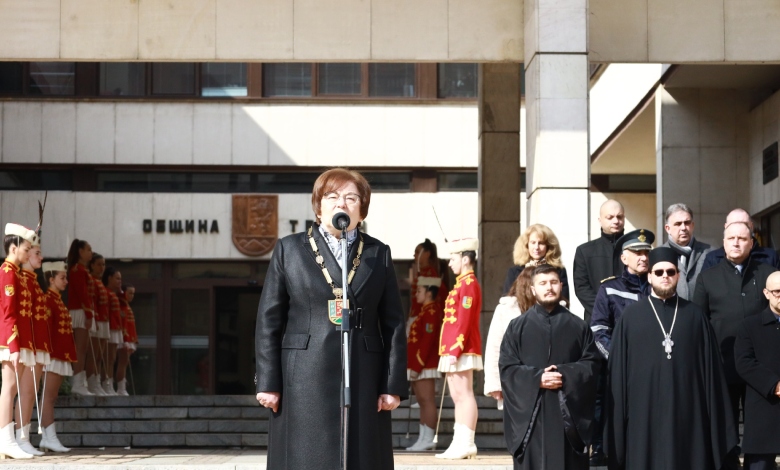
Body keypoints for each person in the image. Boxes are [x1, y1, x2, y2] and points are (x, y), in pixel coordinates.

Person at [254, 168, 406, 470]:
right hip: (303, 373)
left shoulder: (378, 253)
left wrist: (393, 384)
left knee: (362, 456)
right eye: (333, 196)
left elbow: (393, 323)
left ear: (362, 210)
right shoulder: (290, 249)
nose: (342, 204)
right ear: (318, 206)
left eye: (351, 198)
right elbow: (269, 320)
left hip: (363, 371)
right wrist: (268, 381)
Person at [606, 247, 737, 470]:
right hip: (643, 414)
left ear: (678, 275)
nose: (665, 276)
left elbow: (712, 374)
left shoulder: (696, 316)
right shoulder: (630, 317)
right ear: (649, 276)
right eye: (658, 272)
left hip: (689, 413)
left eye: (670, 271)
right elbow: (617, 373)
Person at [499, 264, 601, 470]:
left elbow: (592, 365)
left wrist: (564, 375)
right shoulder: (517, 327)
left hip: (568, 422)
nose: (549, 288)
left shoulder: (578, 326)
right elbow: (508, 368)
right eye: (543, 283)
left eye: (554, 282)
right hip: (531, 422)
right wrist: (537, 378)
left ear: (561, 286)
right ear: (533, 289)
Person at [693, 221, 775, 467]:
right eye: (731, 238)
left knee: (759, 424)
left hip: (760, 368)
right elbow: (700, 323)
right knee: (724, 423)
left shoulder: (766, 274)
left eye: (742, 238)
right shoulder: (708, 278)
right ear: (724, 242)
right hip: (722, 364)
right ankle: (727, 463)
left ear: (752, 242)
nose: (736, 242)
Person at [588, 228, 653, 466]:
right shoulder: (609, 288)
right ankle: (604, 450)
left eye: (646, 252)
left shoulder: (658, 284)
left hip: (653, 368)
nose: (643, 257)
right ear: (624, 258)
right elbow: (598, 330)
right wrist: (617, 358)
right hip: (618, 368)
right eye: (637, 252)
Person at [436, 238, 482, 460]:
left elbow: (464, 320)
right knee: (457, 395)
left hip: (462, 347)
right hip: (454, 347)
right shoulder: (461, 284)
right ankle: (459, 441)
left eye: (453, 259)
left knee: (464, 394)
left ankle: (467, 442)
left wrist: (456, 348)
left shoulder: (469, 285)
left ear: (465, 259)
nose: (450, 263)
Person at [735, 271, 780, 470]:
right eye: (777, 292)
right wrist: (775, 385)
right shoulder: (750, 325)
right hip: (764, 406)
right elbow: (744, 362)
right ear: (766, 293)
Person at [0, 224, 37, 459]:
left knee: (13, 389)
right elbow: (8, 312)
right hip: (10, 340)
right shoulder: (7, 271)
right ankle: (5, 439)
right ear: (13, 248)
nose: (28, 252)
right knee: (9, 389)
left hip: (20, 340)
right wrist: (14, 345)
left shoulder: (16, 272)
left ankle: (12, 439)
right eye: (26, 248)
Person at [15, 240, 50, 456]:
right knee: (26, 392)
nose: (40, 257)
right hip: (28, 342)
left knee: (31, 392)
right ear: (26, 255)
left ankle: (24, 436)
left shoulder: (33, 282)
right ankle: (21, 437)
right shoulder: (22, 280)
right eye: (36, 253)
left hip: (37, 343)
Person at [484, 266, 534, 409]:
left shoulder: (555, 310)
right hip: (514, 380)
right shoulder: (506, 310)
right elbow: (494, 347)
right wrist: (495, 384)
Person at [41, 260, 76, 452]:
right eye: (62, 278)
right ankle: (49, 437)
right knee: (48, 396)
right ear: (51, 279)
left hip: (59, 354)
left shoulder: (57, 300)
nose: (66, 281)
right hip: (52, 355)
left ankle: (48, 437)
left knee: (51, 396)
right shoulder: (48, 300)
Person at [405, 275, 443, 451]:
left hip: (426, 364)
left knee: (427, 401)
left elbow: (427, 342)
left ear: (429, 292)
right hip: (419, 364)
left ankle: (428, 439)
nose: (416, 294)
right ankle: (423, 438)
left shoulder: (432, 312)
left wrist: (417, 365)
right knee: (422, 401)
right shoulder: (424, 311)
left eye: (420, 291)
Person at [573, 200, 626, 325]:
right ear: (600, 220)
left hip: (630, 320)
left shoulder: (636, 250)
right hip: (596, 320)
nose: (615, 221)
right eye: (610, 217)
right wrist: (604, 310)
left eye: (619, 217)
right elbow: (582, 288)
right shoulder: (585, 251)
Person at [502, 224, 570, 303]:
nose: (536, 247)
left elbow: (564, 301)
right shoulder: (514, 271)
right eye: (533, 242)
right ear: (526, 245)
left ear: (548, 246)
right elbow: (507, 301)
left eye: (541, 243)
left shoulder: (558, 270)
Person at [661, 203, 712, 299]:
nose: (683, 228)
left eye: (687, 223)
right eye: (678, 224)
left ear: (692, 225)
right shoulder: (659, 254)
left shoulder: (709, 252)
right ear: (668, 228)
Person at [702, 208, 780, 271]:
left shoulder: (770, 257)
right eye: (734, 224)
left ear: (751, 226)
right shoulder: (713, 259)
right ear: (726, 227)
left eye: (744, 224)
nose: (739, 228)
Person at [66, 239, 95, 396]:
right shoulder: (78, 270)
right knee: (80, 349)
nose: (91, 253)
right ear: (80, 252)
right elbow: (82, 294)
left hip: (82, 310)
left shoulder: (82, 270)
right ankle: (77, 383)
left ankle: (79, 381)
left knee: (82, 349)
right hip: (79, 311)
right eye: (88, 249)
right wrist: (89, 314)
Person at [88, 253, 109, 396]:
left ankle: (97, 382)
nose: (102, 267)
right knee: (93, 354)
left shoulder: (100, 282)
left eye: (103, 264)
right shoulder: (92, 281)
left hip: (103, 320)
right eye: (99, 264)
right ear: (92, 265)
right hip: (96, 319)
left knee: (100, 355)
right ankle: (91, 383)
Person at [102, 267, 123, 396]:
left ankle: (109, 384)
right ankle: (106, 384)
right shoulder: (107, 292)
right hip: (109, 328)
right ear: (109, 278)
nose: (120, 281)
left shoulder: (114, 294)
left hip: (115, 328)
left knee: (112, 358)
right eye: (117, 278)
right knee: (108, 358)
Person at [116, 285, 138, 396]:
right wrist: (125, 340)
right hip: (124, 338)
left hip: (129, 338)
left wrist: (133, 340)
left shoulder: (126, 305)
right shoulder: (122, 306)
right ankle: (120, 388)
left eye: (133, 293)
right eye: (129, 293)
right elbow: (123, 325)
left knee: (125, 362)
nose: (131, 296)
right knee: (122, 362)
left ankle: (122, 386)